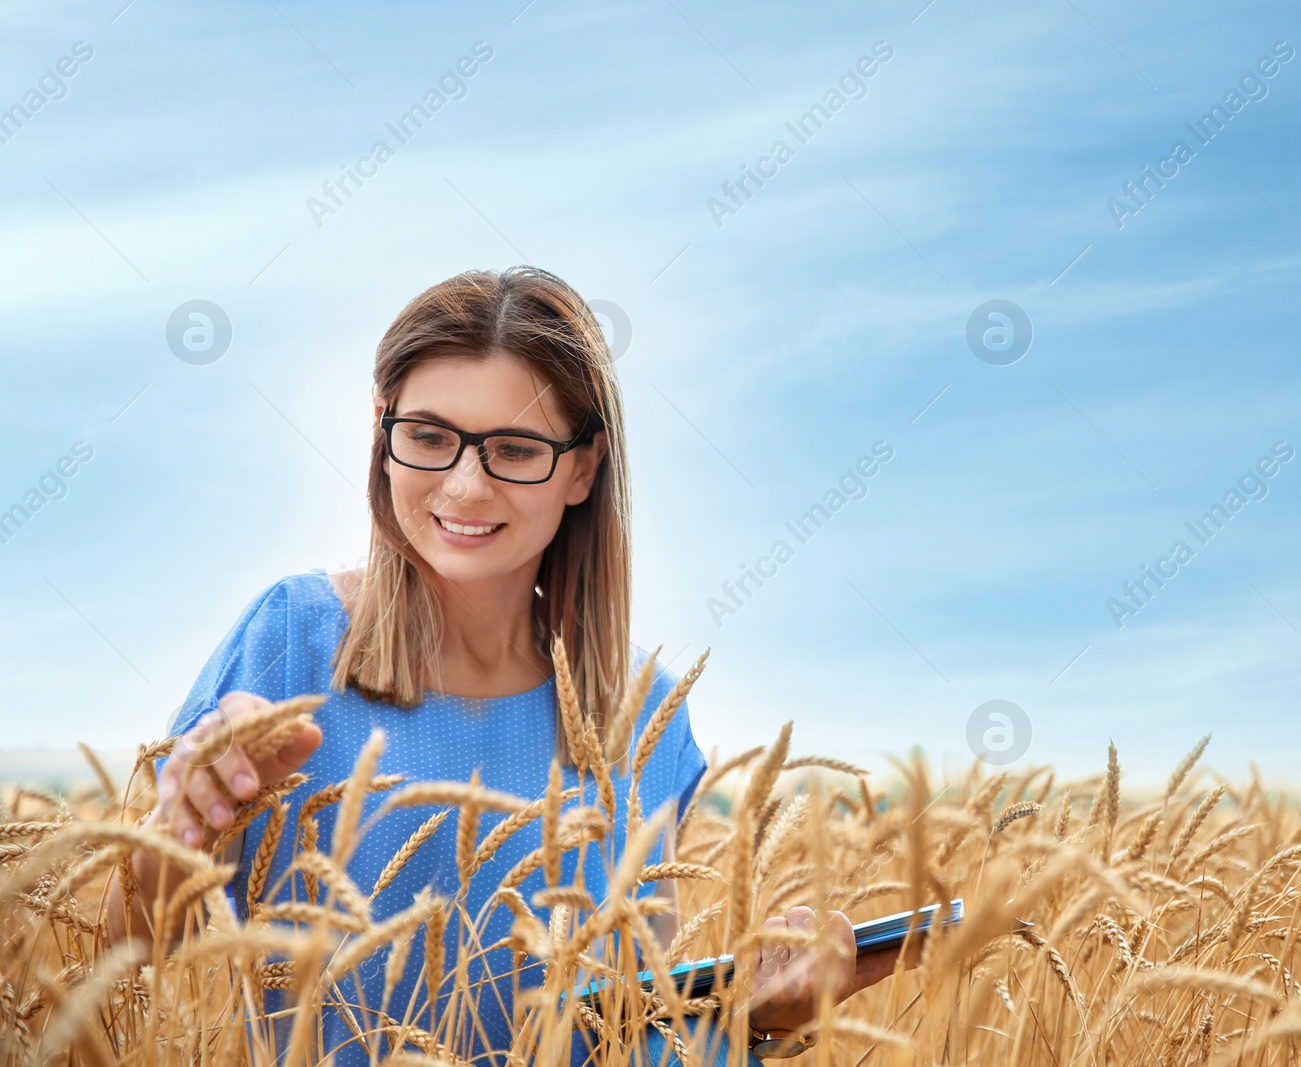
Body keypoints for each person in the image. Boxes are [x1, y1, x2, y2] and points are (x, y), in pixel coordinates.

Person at [103, 266, 907, 1065]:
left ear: (584, 468)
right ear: (381, 432)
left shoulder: (640, 712)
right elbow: (114, 972)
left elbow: (633, 1030)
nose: (463, 484)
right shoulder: (291, 644)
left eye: (515, 449)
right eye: (427, 435)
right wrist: (181, 830)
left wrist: (761, 1018)